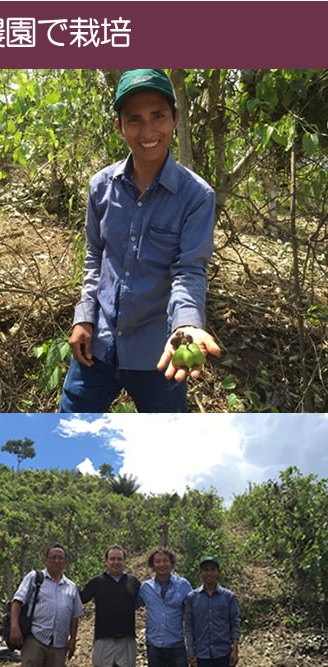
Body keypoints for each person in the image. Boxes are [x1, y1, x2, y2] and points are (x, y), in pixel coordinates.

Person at [59, 68, 221, 413]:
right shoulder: (101, 187)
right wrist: (84, 315)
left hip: (158, 356)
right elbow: (96, 255)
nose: (148, 131)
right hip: (97, 347)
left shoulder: (196, 197)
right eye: (134, 120)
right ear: (120, 127)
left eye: (158, 116)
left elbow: (189, 270)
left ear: (175, 119)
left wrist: (188, 325)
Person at [9, 544, 84, 667]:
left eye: (61, 558)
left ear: (66, 562)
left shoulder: (71, 587)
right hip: (35, 638)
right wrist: (14, 627)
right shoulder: (35, 579)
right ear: (46, 560)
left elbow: (75, 615)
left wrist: (72, 640)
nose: (57, 561)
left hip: (59, 644)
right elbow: (17, 601)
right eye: (53, 557)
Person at [137, 547, 200, 667]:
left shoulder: (183, 585)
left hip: (177, 646)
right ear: (152, 565)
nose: (161, 565)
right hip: (154, 645)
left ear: (172, 564)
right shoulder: (145, 588)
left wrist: (192, 646)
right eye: (158, 562)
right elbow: (129, 604)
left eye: (165, 561)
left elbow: (191, 615)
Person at [79, 545, 141, 667]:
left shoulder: (133, 582)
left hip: (127, 641)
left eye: (119, 559)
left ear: (124, 561)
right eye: (112, 559)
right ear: (105, 561)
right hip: (103, 641)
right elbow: (79, 599)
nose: (116, 562)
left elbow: (143, 603)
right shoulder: (97, 582)